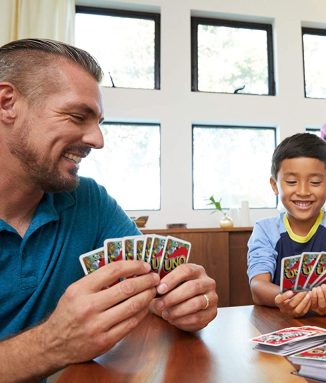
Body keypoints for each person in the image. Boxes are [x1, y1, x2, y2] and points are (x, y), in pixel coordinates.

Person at [0, 38, 218, 380]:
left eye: (98, 121)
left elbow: (150, 287)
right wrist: (51, 345)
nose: (98, 140)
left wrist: (182, 299)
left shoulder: (90, 200)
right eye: (76, 116)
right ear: (7, 103)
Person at [247, 133, 326, 317]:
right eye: (291, 182)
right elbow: (258, 286)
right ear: (275, 185)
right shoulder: (265, 229)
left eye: (315, 182)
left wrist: (309, 299)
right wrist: (287, 298)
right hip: (279, 322)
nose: (303, 191)